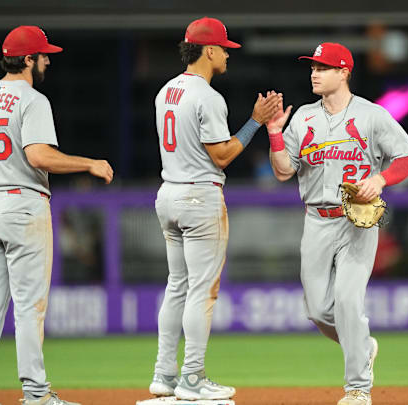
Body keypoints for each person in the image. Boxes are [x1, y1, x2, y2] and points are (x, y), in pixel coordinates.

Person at [0, 26, 114, 405]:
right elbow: (39, 156)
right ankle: (36, 394)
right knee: (30, 306)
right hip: (22, 206)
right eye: (43, 55)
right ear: (27, 59)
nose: (47, 61)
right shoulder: (31, 98)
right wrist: (89, 163)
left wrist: (1, 170)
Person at [266, 42, 408, 405]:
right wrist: (274, 132)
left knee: (349, 301)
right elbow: (284, 171)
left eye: (323, 67)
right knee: (318, 310)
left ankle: (357, 389)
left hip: (358, 221)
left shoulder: (372, 115)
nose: (314, 73)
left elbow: (407, 162)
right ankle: (363, 345)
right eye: (313, 67)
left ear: (344, 72)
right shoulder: (302, 117)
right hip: (317, 220)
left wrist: (380, 180)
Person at [149, 17, 280, 402]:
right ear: (208, 50)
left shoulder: (165, 91)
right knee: (201, 291)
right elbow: (221, 156)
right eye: (223, 48)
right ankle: (192, 377)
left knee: (177, 286)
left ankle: (163, 375)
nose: (226, 54)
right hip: (198, 197)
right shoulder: (207, 96)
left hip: (168, 193)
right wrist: (256, 122)